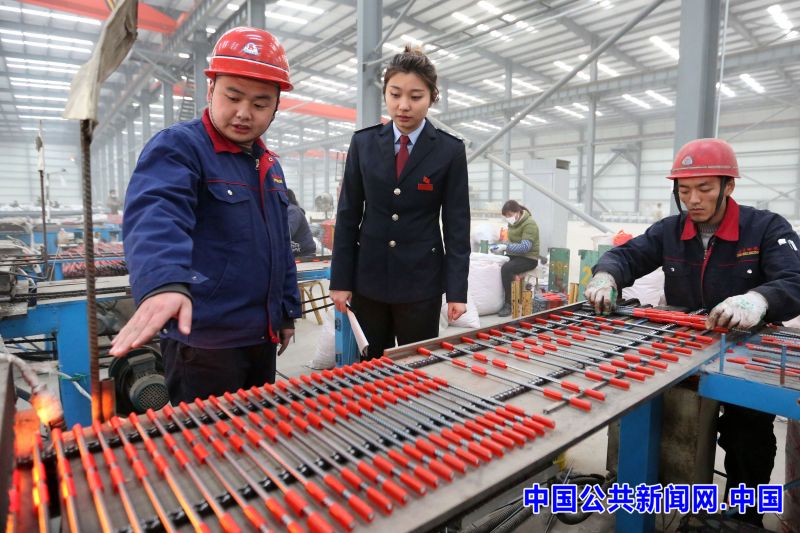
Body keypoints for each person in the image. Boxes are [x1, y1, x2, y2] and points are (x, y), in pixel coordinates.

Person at [585, 138, 800, 527]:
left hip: (747, 350)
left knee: (746, 437)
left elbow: (794, 279)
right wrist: (606, 275)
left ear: (728, 186)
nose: (693, 200)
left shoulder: (765, 228)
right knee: (661, 421)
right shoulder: (670, 231)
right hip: (685, 347)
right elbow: (626, 255)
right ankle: (658, 497)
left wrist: (758, 299)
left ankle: (744, 516)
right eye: (684, 190)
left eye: (704, 188)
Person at [109, 27, 301, 404]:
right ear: (211, 89)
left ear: (276, 107)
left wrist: (286, 311)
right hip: (204, 344)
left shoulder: (270, 166)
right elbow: (157, 214)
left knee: (255, 429)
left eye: (260, 104)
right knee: (208, 437)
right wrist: (164, 282)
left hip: (260, 337)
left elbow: (280, 246)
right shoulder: (180, 148)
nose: (244, 113)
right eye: (233, 96)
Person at [329, 45, 470, 359]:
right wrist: (340, 280)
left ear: (432, 97)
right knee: (371, 366)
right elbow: (348, 215)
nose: (403, 106)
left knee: (417, 365)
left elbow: (457, 227)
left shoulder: (449, 151)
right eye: (395, 94)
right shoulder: (364, 143)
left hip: (421, 283)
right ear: (385, 94)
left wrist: (456, 291)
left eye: (416, 97)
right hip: (369, 281)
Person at [491, 200, 539, 317]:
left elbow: (525, 247)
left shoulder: (529, 224)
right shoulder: (513, 223)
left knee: (507, 268)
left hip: (529, 258)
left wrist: (506, 247)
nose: (508, 218)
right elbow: (511, 241)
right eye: (506, 216)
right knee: (497, 263)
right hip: (516, 255)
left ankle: (509, 303)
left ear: (517, 212)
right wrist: (500, 247)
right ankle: (498, 299)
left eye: (510, 215)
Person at [286, 189, 316, 257]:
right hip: (297, 253)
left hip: (304, 254)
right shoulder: (288, 210)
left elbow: (288, 232)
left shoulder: (293, 211)